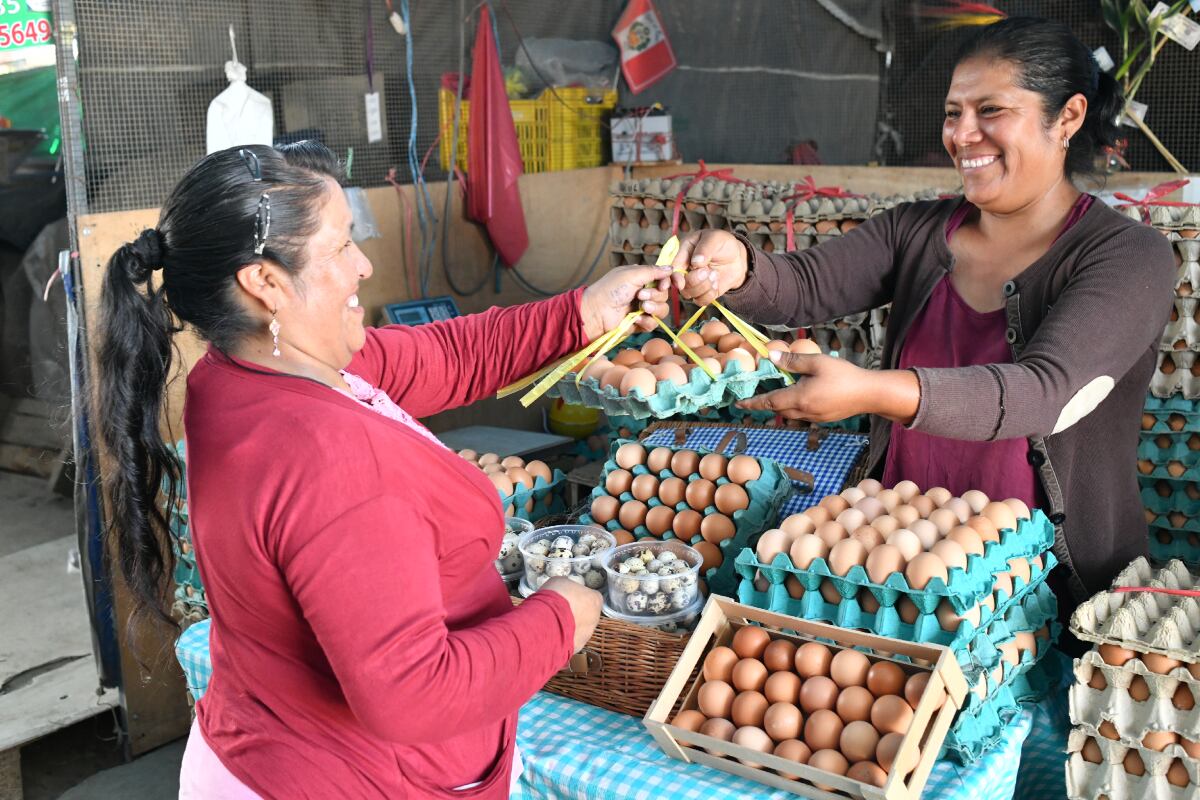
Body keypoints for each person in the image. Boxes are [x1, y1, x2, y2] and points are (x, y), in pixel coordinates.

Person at [96, 141, 672, 799]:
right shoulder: (328, 455)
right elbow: (414, 693)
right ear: (265, 282)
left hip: (261, 752)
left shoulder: (240, 373)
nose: (364, 265)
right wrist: (562, 618)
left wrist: (584, 314)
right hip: (341, 779)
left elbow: (443, 356)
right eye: (341, 246)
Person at [671, 17, 1176, 627]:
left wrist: (868, 391)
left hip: (1046, 586)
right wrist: (738, 267)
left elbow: (1043, 391)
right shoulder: (915, 230)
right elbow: (803, 284)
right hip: (903, 575)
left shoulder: (1127, 257)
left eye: (990, 110)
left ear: (1067, 117)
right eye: (952, 113)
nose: (963, 135)